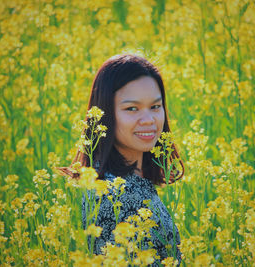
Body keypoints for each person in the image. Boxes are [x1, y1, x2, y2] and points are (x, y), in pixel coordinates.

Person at [59, 54, 184, 265]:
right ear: (105, 116)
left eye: (155, 106)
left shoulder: (125, 182)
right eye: (132, 109)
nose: (149, 120)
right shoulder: (114, 196)